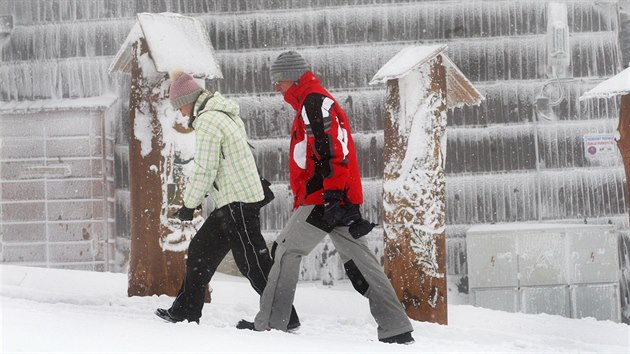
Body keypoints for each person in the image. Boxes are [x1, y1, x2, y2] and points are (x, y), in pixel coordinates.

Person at [236, 51, 414, 344]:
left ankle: (271, 324)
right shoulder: (315, 101)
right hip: (337, 194)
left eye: (279, 80)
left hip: (324, 196)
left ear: (292, 77)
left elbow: (331, 150)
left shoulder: (314, 103)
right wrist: (339, 197)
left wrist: (331, 196)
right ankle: (396, 327)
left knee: (285, 249)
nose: (276, 87)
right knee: (361, 261)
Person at [155, 68, 300, 329]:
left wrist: (188, 204)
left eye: (180, 107)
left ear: (187, 101)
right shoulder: (221, 113)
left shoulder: (209, 120)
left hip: (238, 203)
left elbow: (205, 168)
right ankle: (185, 312)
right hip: (232, 201)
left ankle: (284, 319)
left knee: (253, 263)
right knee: (201, 250)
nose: (181, 113)